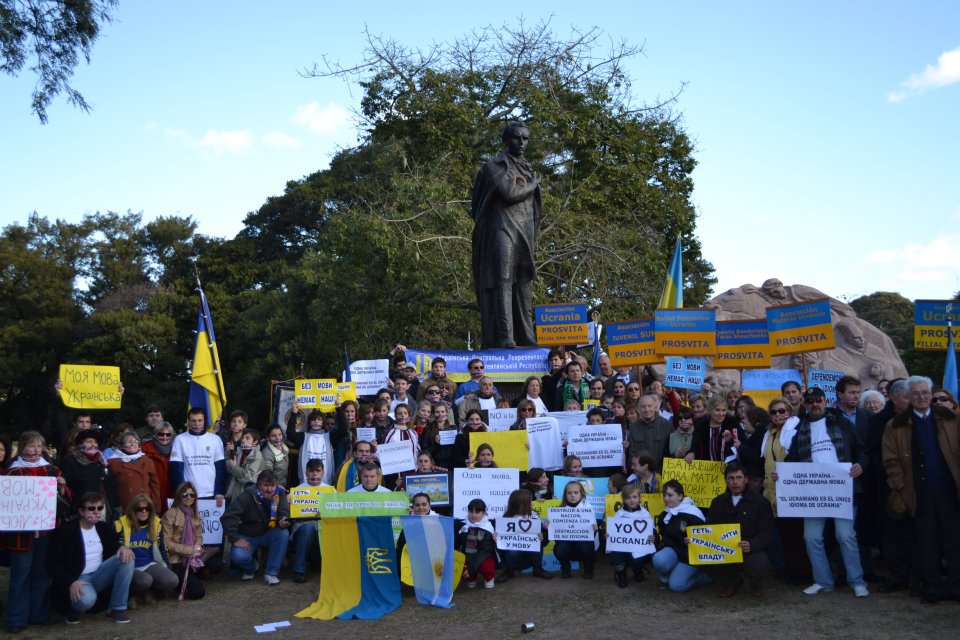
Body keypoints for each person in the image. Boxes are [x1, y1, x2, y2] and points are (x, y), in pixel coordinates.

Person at [784, 387, 869, 597]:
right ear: (805, 404)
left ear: (825, 401)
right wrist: (782, 474)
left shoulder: (841, 423)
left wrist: (860, 465)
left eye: (818, 400)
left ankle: (857, 581)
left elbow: (861, 449)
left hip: (842, 490)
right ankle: (823, 581)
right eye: (810, 401)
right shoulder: (800, 429)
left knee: (845, 536)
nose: (814, 404)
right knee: (811, 537)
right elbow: (791, 460)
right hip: (813, 493)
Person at [882, 375, 960, 604]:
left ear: (931, 393)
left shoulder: (951, 418)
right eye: (915, 393)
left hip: (948, 489)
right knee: (927, 542)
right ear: (908, 396)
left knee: (954, 541)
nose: (921, 397)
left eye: (925, 392)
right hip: (918, 492)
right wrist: (900, 485)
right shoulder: (895, 425)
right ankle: (933, 588)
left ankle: (956, 587)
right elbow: (891, 460)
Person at [470, 121, 539, 349]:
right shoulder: (494, 166)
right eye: (516, 138)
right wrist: (534, 185)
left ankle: (526, 336)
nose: (521, 143)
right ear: (506, 140)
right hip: (502, 228)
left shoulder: (528, 168)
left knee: (523, 283)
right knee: (503, 280)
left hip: (525, 231)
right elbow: (509, 194)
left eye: (525, 139)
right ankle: (505, 336)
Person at [2, 431, 68, 632]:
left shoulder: (51, 470)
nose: (35, 450)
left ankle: (39, 614)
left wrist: (62, 487)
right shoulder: (12, 473)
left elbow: (64, 501)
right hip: (20, 536)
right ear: (22, 447)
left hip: (46, 533)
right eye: (31, 446)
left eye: (39, 446)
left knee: (41, 574)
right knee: (20, 575)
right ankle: (16, 619)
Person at [47, 492, 135, 624]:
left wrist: (122, 547)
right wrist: (71, 582)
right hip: (78, 578)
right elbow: (53, 564)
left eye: (100, 508)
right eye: (91, 508)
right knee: (87, 599)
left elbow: (114, 546)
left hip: (100, 573)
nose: (96, 512)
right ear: (81, 511)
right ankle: (74, 611)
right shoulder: (66, 532)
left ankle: (116, 609)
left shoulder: (103, 528)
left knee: (127, 557)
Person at [705, 462, 774, 597]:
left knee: (758, 561)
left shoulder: (761, 503)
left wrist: (751, 545)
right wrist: (695, 540)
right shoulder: (717, 502)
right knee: (701, 555)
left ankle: (755, 583)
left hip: (750, 548)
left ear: (746, 479)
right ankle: (731, 581)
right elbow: (709, 528)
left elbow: (767, 534)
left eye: (739, 477)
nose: (735, 482)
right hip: (724, 549)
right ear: (725, 480)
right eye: (731, 478)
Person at [760, 396, 808, 582]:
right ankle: (786, 569)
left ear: (789, 412)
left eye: (782, 411)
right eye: (774, 412)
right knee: (781, 532)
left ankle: (800, 572)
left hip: (791, 489)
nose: (778, 414)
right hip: (772, 489)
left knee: (794, 532)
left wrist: (786, 473)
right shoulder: (769, 433)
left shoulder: (796, 430)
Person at [220, 470, 291, 586]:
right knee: (238, 556)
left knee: (283, 534)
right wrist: (235, 538)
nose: (269, 489)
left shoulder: (279, 493)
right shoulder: (247, 495)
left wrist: (283, 521)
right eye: (266, 485)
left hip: (269, 533)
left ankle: (271, 573)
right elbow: (227, 517)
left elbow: (283, 512)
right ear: (258, 484)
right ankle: (252, 567)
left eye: (272, 485)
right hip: (248, 535)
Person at [114, 494, 178, 605]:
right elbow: (114, 547)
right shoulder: (121, 524)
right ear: (133, 510)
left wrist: (167, 566)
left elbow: (162, 548)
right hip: (129, 566)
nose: (144, 511)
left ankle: (148, 592)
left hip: (148, 564)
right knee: (145, 580)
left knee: (172, 580)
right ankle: (129, 595)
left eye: (147, 508)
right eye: (139, 509)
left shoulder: (156, 524)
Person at [650, 479, 711, 592]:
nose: (666, 498)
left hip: (691, 557)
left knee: (676, 586)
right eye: (664, 495)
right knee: (659, 559)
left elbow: (707, 538)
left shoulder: (694, 514)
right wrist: (655, 539)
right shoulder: (664, 515)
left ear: (680, 496)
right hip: (675, 552)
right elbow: (663, 538)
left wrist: (694, 540)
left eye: (670, 495)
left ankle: (706, 576)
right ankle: (665, 579)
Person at [169, 408, 226, 508]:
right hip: (188, 494)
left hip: (211, 493)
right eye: (193, 421)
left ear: (205, 421)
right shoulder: (180, 439)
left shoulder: (215, 439)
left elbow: (220, 469)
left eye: (200, 420)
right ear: (188, 421)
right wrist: (182, 492)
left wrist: (219, 491)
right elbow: (176, 470)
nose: (197, 424)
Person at [161, 482, 208, 600]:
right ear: (179, 496)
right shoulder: (170, 514)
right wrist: (190, 550)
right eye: (185, 494)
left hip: (193, 557)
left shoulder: (195, 514)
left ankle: (193, 577)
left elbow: (199, 536)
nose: (189, 498)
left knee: (216, 564)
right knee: (198, 593)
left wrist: (198, 547)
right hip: (175, 559)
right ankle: (177, 584)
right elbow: (166, 543)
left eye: (192, 495)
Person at [495, 489, 552, 583]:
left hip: (531, 555)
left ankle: (538, 569)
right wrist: (496, 538)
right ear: (520, 505)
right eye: (530, 502)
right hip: (513, 555)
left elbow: (544, 542)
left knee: (537, 544)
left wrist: (543, 535)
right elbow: (500, 545)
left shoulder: (535, 518)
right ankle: (508, 571)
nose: (532, 504)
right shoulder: (504, 520)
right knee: (511, 550)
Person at [60, 428, 118, 514]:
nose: (93, 444)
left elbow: (112, 485)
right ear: (80, 444)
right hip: (81, 510)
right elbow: (64, 487)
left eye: (95, 442)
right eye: (89, 441)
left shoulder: (103, 462)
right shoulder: (70, 461)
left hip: (105, 510)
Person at [290, 458, 329, 583]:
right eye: (311, 471)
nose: (314, 474)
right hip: (302, 529)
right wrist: (288, 502)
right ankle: (299, 570)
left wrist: (326, 513)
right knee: (308, 528)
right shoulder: (296, 491)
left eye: (318, 471)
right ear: (306, 472)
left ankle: (322, 564)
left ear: (323, 472)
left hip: (322, 529)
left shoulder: (330, 491)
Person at [286, 403, 343, 486]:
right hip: (306, 483)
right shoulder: (303, 436)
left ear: (323, 422)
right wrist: (294, 413)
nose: (316, 421)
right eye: (313, 420)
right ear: (309, 423)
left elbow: (343, 429)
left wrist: (339, 408)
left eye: (319, 419)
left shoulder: (330, 437)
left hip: (325, 483)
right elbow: (290, 434)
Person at [606, 483, 651, 587]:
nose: (631, 500)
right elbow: (613, 531)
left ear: (639, 498)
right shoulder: (619, 514)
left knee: (638, 557)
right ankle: (621, 574)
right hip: (623, 547)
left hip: (638, 546)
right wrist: (609, 535)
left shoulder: (645, 514)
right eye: (628, 498)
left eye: (634, 497)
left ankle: (637, 569)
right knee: (616, 549)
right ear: (623, 499)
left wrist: (653, 536)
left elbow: (651, 530)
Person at [552, 480, 597, 579]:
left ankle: (588, 569)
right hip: (566, 543)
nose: (572, 495)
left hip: (583, 544)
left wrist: (594, 529)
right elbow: (555, 533)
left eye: (576, 492)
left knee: (586, 547)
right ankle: (565, 568)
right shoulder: (558, 509)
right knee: (559, 549)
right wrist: (548, 525)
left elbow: (592, 535)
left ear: (581, 494)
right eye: (569, 493)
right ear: (565, 495)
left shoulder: (588, 509)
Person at [108, 431, 161, 513]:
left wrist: (156, 507)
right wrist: (116, 507)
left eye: (136, 441)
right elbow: (110, 488)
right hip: (125, 506)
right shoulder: (113, 462)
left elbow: (154, 486)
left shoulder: (147, 461)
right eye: (129, 442)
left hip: (145, 507)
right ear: (121, 445)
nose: (133, 444)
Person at [686, 395, 743, 464]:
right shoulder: (700, 426)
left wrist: (730, 442)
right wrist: (692, 453)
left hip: (730, 468)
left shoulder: (733, 425)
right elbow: (695, 447)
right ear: (709, 411)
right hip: (706, 468)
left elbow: (743, 447)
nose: (721, 413)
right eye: (717, 410)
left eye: (723, 410)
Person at [458, 498, 498, 588]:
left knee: (487, 567)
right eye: (471, 511)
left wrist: (471, 569)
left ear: (483, 513)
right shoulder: (463, 526)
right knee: (459, 565)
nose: (473, 514)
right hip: (468, 554)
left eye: (477, 512)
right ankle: (471, 578)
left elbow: (485, 552)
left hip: (483, 557)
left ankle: (489, 578)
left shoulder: (488, 529)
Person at [627, 395, 674, 471]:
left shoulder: (667, 425)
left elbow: (671, 452)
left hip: (663, 471)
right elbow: (632, 453)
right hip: (641, 473)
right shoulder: (633, 428)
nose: (647, 409)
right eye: (643, 407)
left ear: (655, 407)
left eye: (649, 406)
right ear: (639, 409)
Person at [140, 423, 174, 515]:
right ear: (155, 434)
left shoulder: (177, 449)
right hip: (151, 492)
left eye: (168, 434)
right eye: (161, 434)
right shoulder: (144, 450)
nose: (164, 437)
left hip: (170, 492)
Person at [225, 427, 266, 500]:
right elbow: (228, 469)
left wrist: (234, 468)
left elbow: (248, 477)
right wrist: (229, 453)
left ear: (255, 442)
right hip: (235, 494)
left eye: (247, 438)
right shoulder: (239, 451)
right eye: (242, 438)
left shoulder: (257, 456)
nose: (243, 440)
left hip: (248, 497)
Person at [260, 424, 290, 488]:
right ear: (268, 437)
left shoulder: (284, 446)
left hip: (283, 484)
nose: (278, 438)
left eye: (279, 434)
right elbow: (268, 476)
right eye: (273, 436)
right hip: (273, 487)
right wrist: (276, 486)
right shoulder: (266, 453)